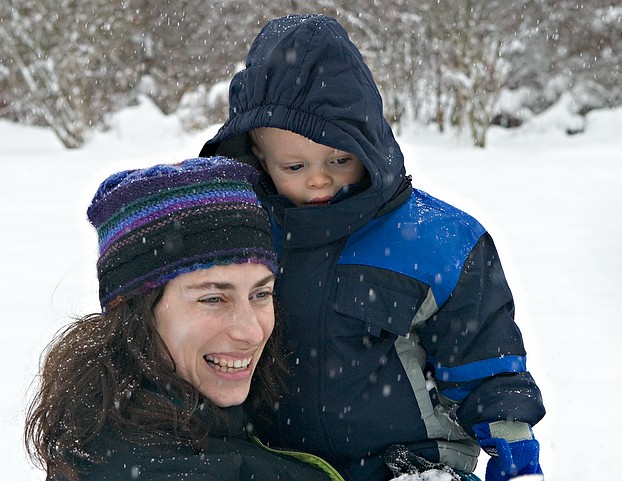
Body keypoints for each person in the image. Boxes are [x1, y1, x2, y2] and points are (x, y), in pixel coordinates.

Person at [198, 14, 546, 481]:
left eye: (340, 158)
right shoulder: (244, 235)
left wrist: (513, 444)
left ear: (369, 141)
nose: (319, 178)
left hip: (413, 465)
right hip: (277, 463)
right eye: (295, 165)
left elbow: (484, 357)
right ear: (259, 154)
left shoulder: (433, 240)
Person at [24, 156, 344, 481]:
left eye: (260, 294)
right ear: (137, 313)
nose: (251, 331)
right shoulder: (160, 469)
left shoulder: (139, 422)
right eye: (213, 299)